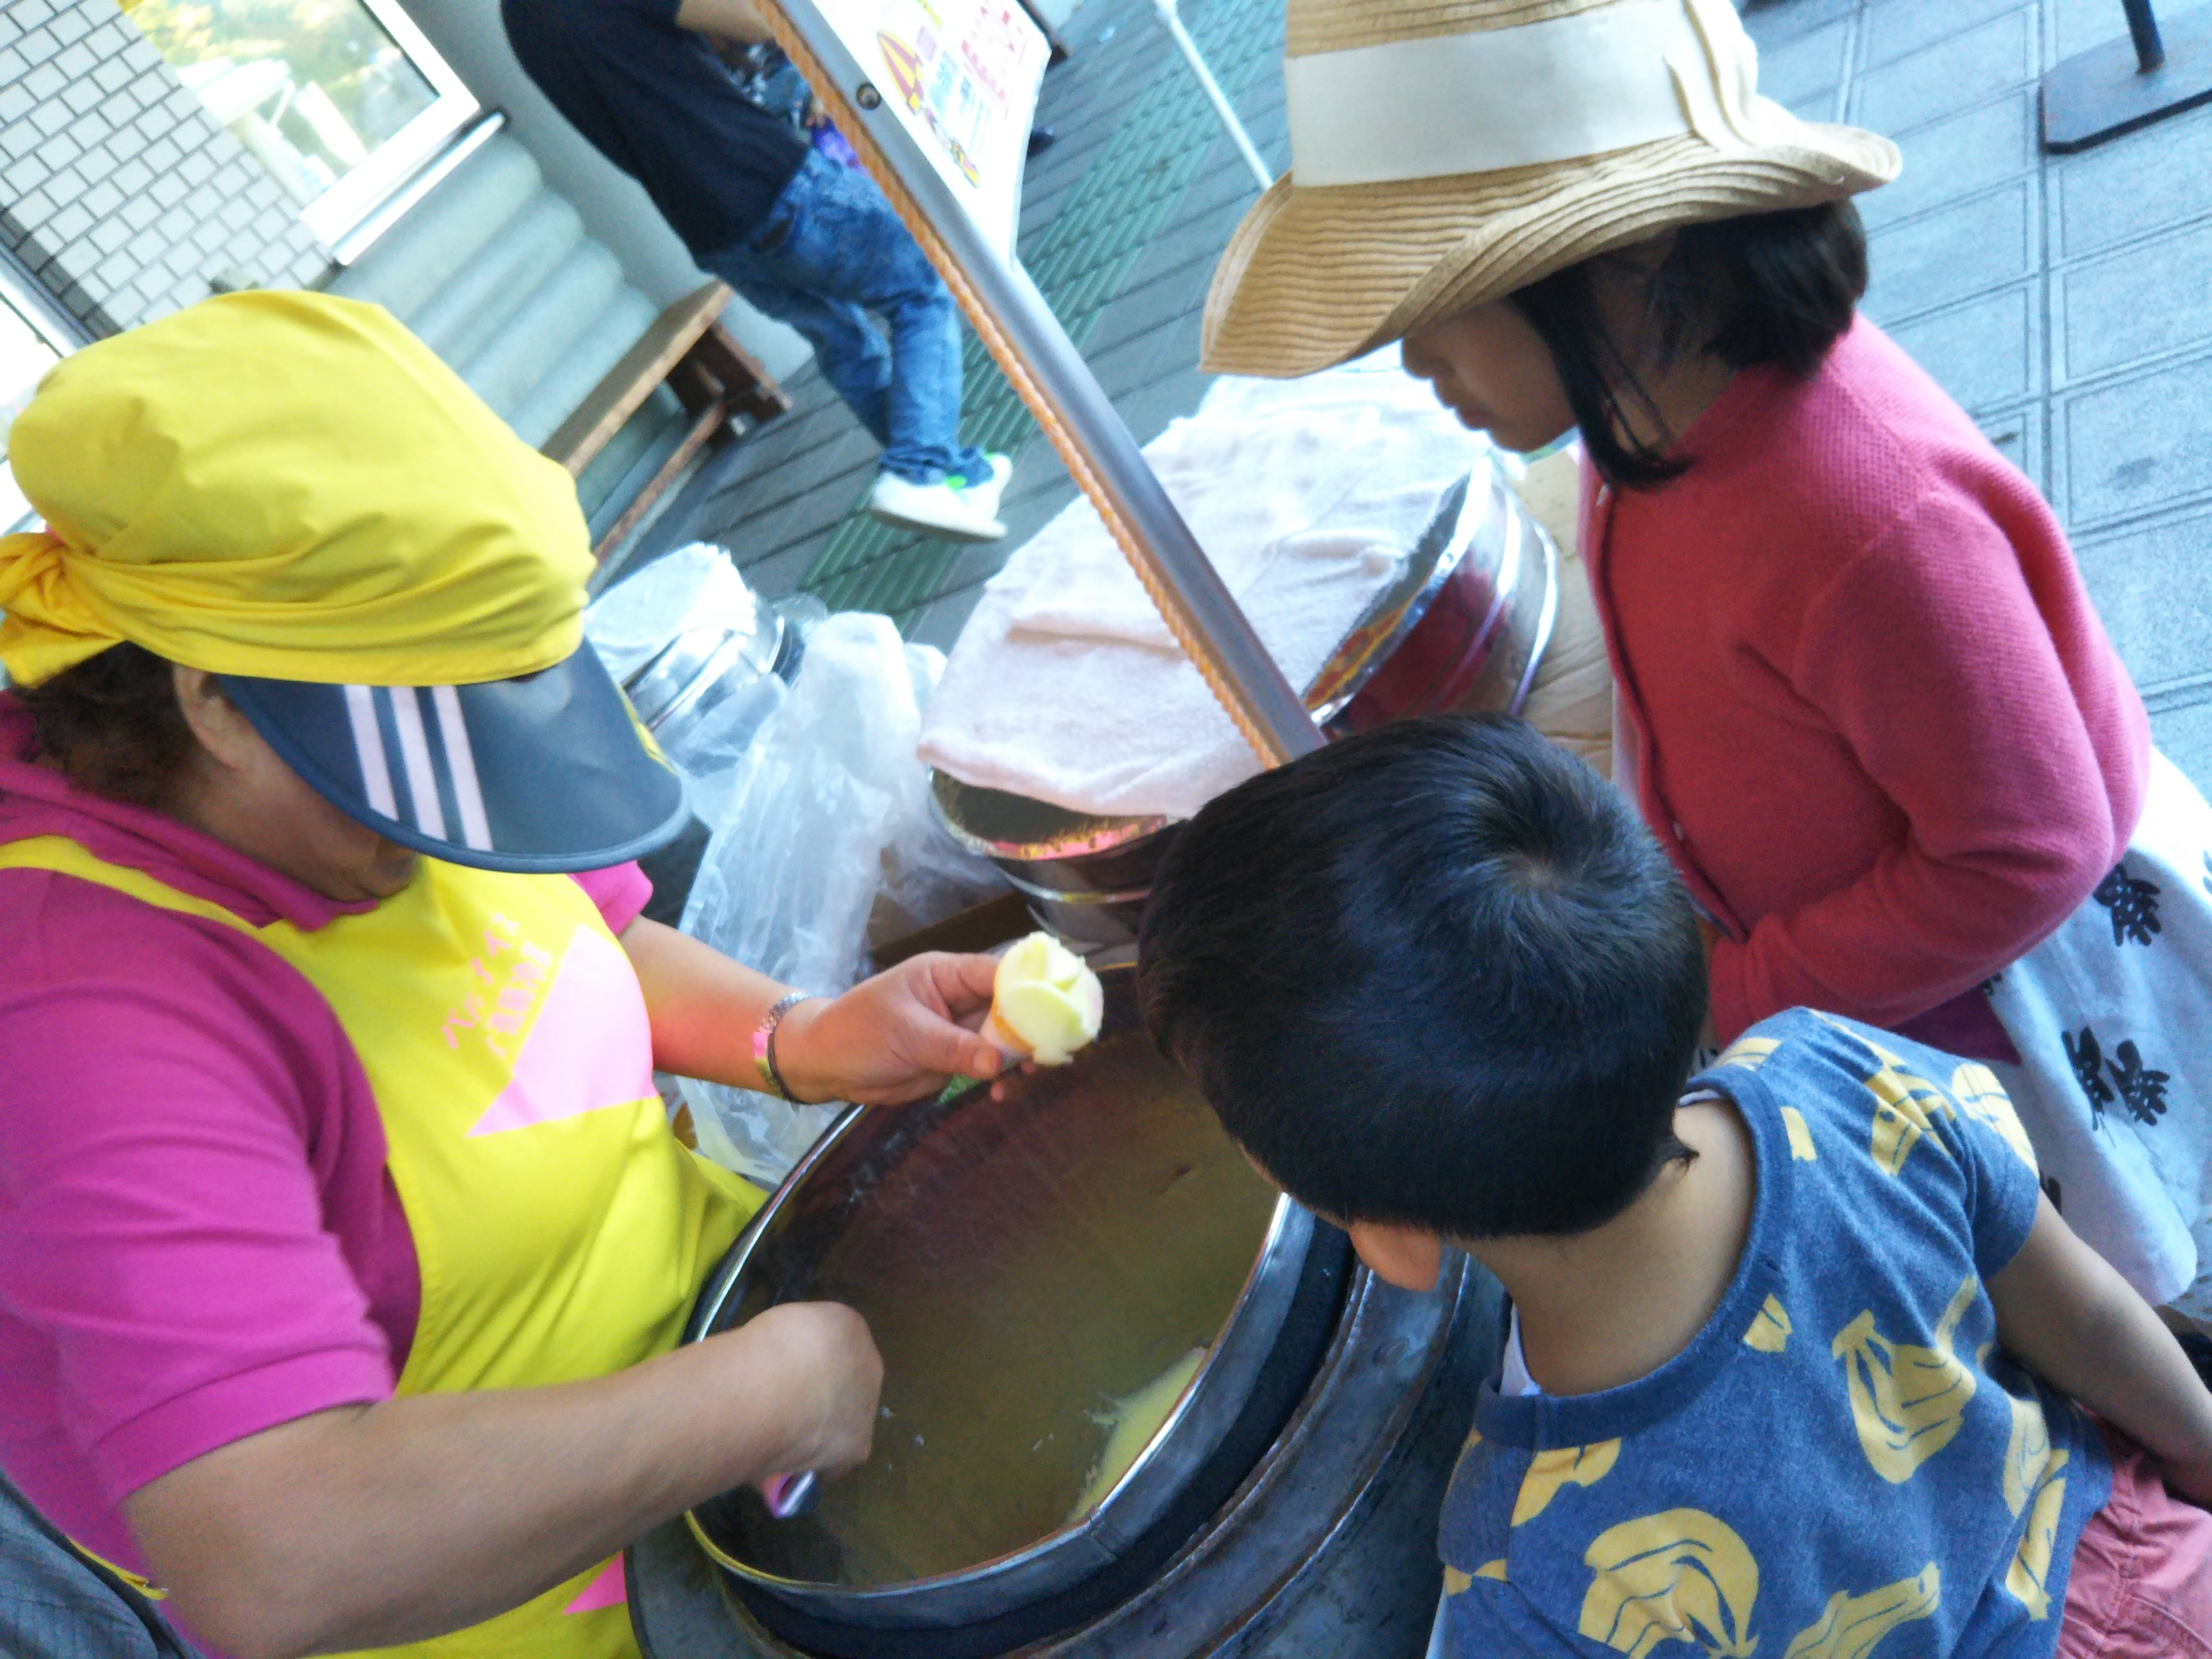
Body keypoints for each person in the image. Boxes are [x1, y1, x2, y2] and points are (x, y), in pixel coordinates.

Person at [0, 292, 1011, 1659]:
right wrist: (764, 1393)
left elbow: (574, 940)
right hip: (548, 1606)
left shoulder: (364, 754)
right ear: (216, 704)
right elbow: (282, 1546)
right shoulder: (80, 1017)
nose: (453, 835)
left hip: (746, 1381)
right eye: (424, 783)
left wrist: (799, 1034)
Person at [1198, 0, 2212, 1322]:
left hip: (2022, 994)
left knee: (2120, 1285)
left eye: (1446, 304)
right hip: (1880, 963)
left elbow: (2026, 847)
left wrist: (1735, 984)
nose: (1414, 359)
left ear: (1637, 255)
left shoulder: (1866, 515)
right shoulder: (1647, 414)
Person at [1138, 713, 2212, 1658]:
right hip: (2153, 1567)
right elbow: (2083, 1309)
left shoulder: (1525, 1559)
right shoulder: (1843, 1076)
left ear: (1390, 1243)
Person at [502, 0, 1015, 542]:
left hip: (708, 230)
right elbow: (757, 20)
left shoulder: (519, 18)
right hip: (769, 184)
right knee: (920, 289)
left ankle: (953, 475)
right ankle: (920, 474)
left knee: (843, 343)